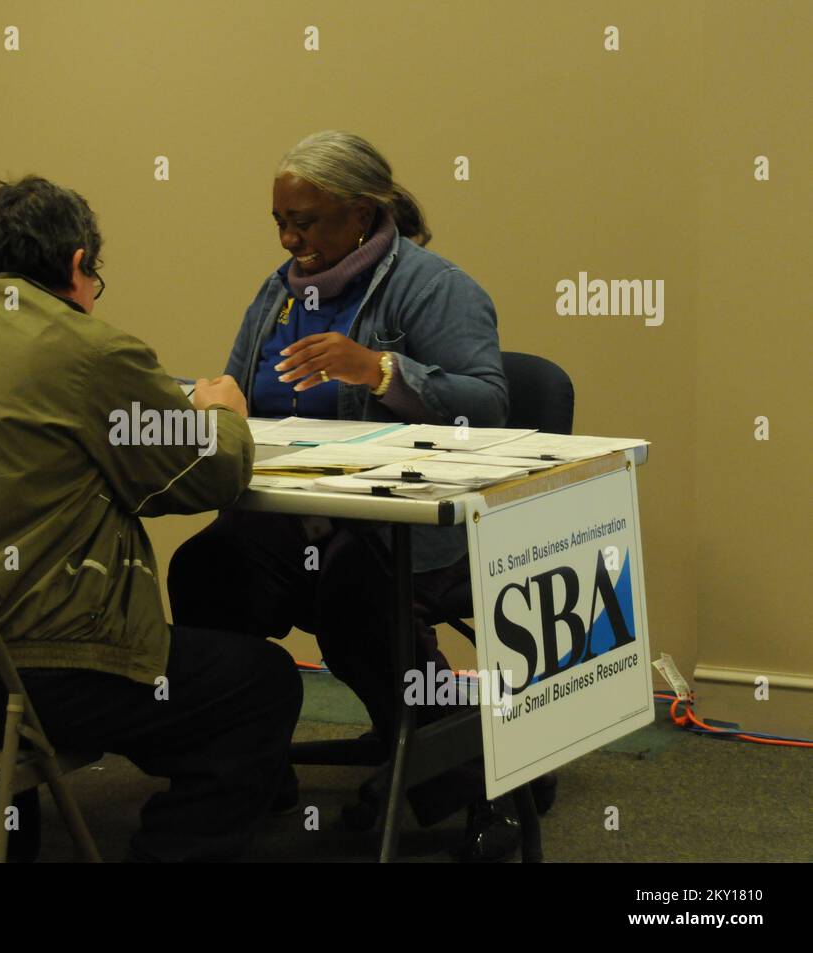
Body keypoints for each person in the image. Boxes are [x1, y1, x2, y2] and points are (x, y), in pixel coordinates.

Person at [0, 175, 302, 862]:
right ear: (78, 266)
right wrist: (225, 414)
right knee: (260, 683)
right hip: (20, 675)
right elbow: (209, 471)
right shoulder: (89, 353)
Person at [167, 130, 526, 858]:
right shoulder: (279, 293)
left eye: (309, 220)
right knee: (204, 570)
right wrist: (212, 401)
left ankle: (462, 766)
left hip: (406, 530)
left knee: (355, 588)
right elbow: (241, 390)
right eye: (280, 221)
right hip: (295, 518)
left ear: (363, 213)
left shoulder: (434, 287)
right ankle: (245, 772)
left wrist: (382, 372)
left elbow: (487, 405)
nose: (291, 237)